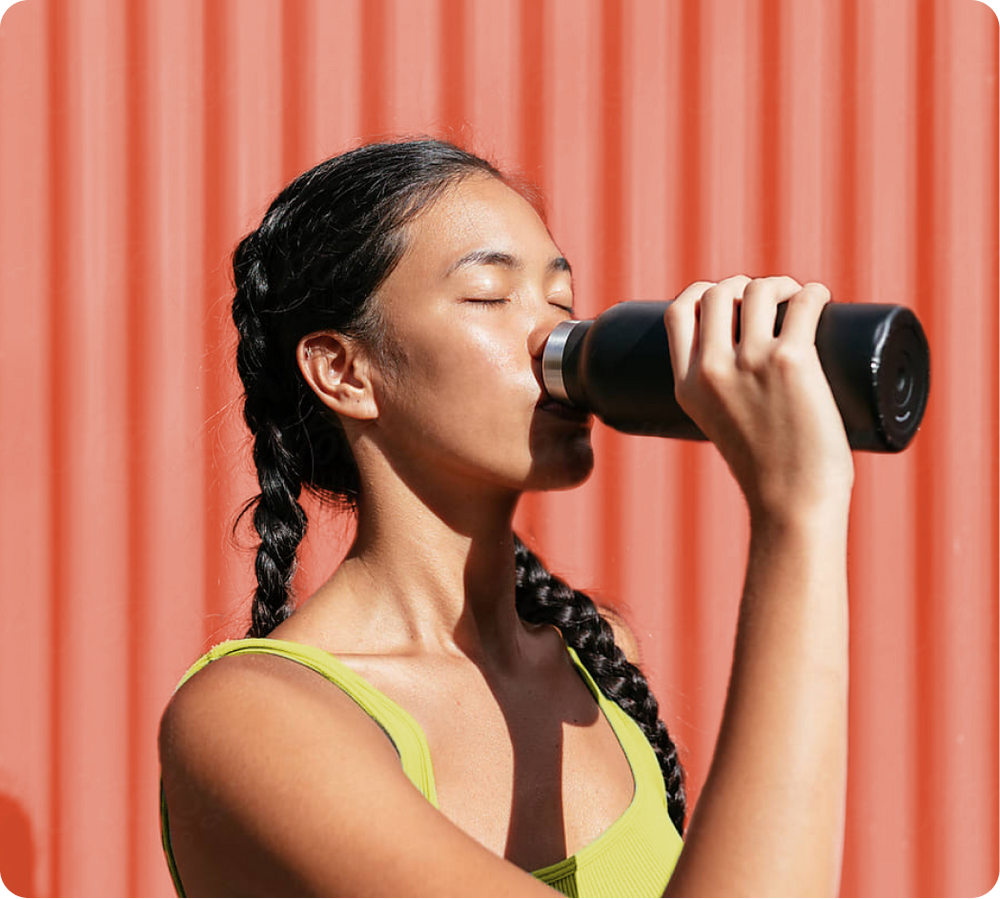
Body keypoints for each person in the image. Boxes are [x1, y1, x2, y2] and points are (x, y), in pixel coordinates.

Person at [158, 138, 854, 898]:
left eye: (563, 301)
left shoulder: (592, 659)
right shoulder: (253, 718)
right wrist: (798, 514)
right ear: (345, 371)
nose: (556, 338)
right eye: (491, 293)